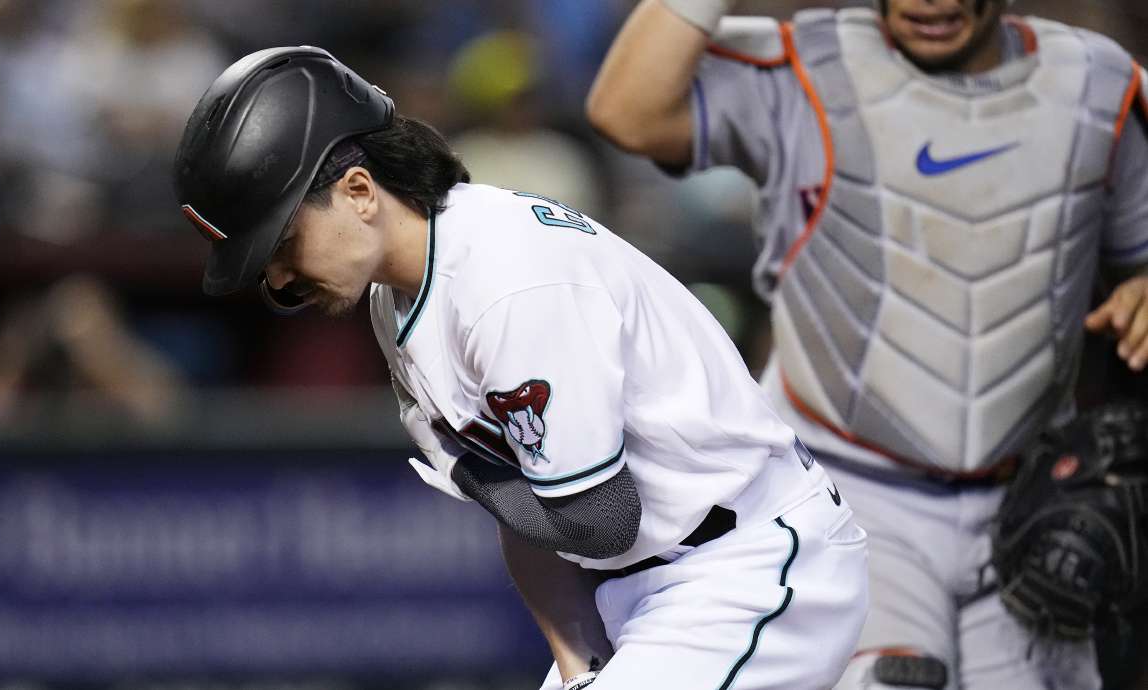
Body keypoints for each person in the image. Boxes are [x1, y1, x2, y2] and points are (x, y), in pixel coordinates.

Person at [173, 47, 868, 689]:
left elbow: (597, 519)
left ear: (359, 191)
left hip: (751, 567)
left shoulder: (506, 278)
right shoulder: (402, 295)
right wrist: (575, 662)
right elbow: (530, 513)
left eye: (283, 242)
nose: (284, 278)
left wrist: (472, 475)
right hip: (657, 589)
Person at [586, 0, 1148, 688]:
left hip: (1030, 497)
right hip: (849, 490)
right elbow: (626, 110)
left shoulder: (1098, 84)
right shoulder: (807, 69)